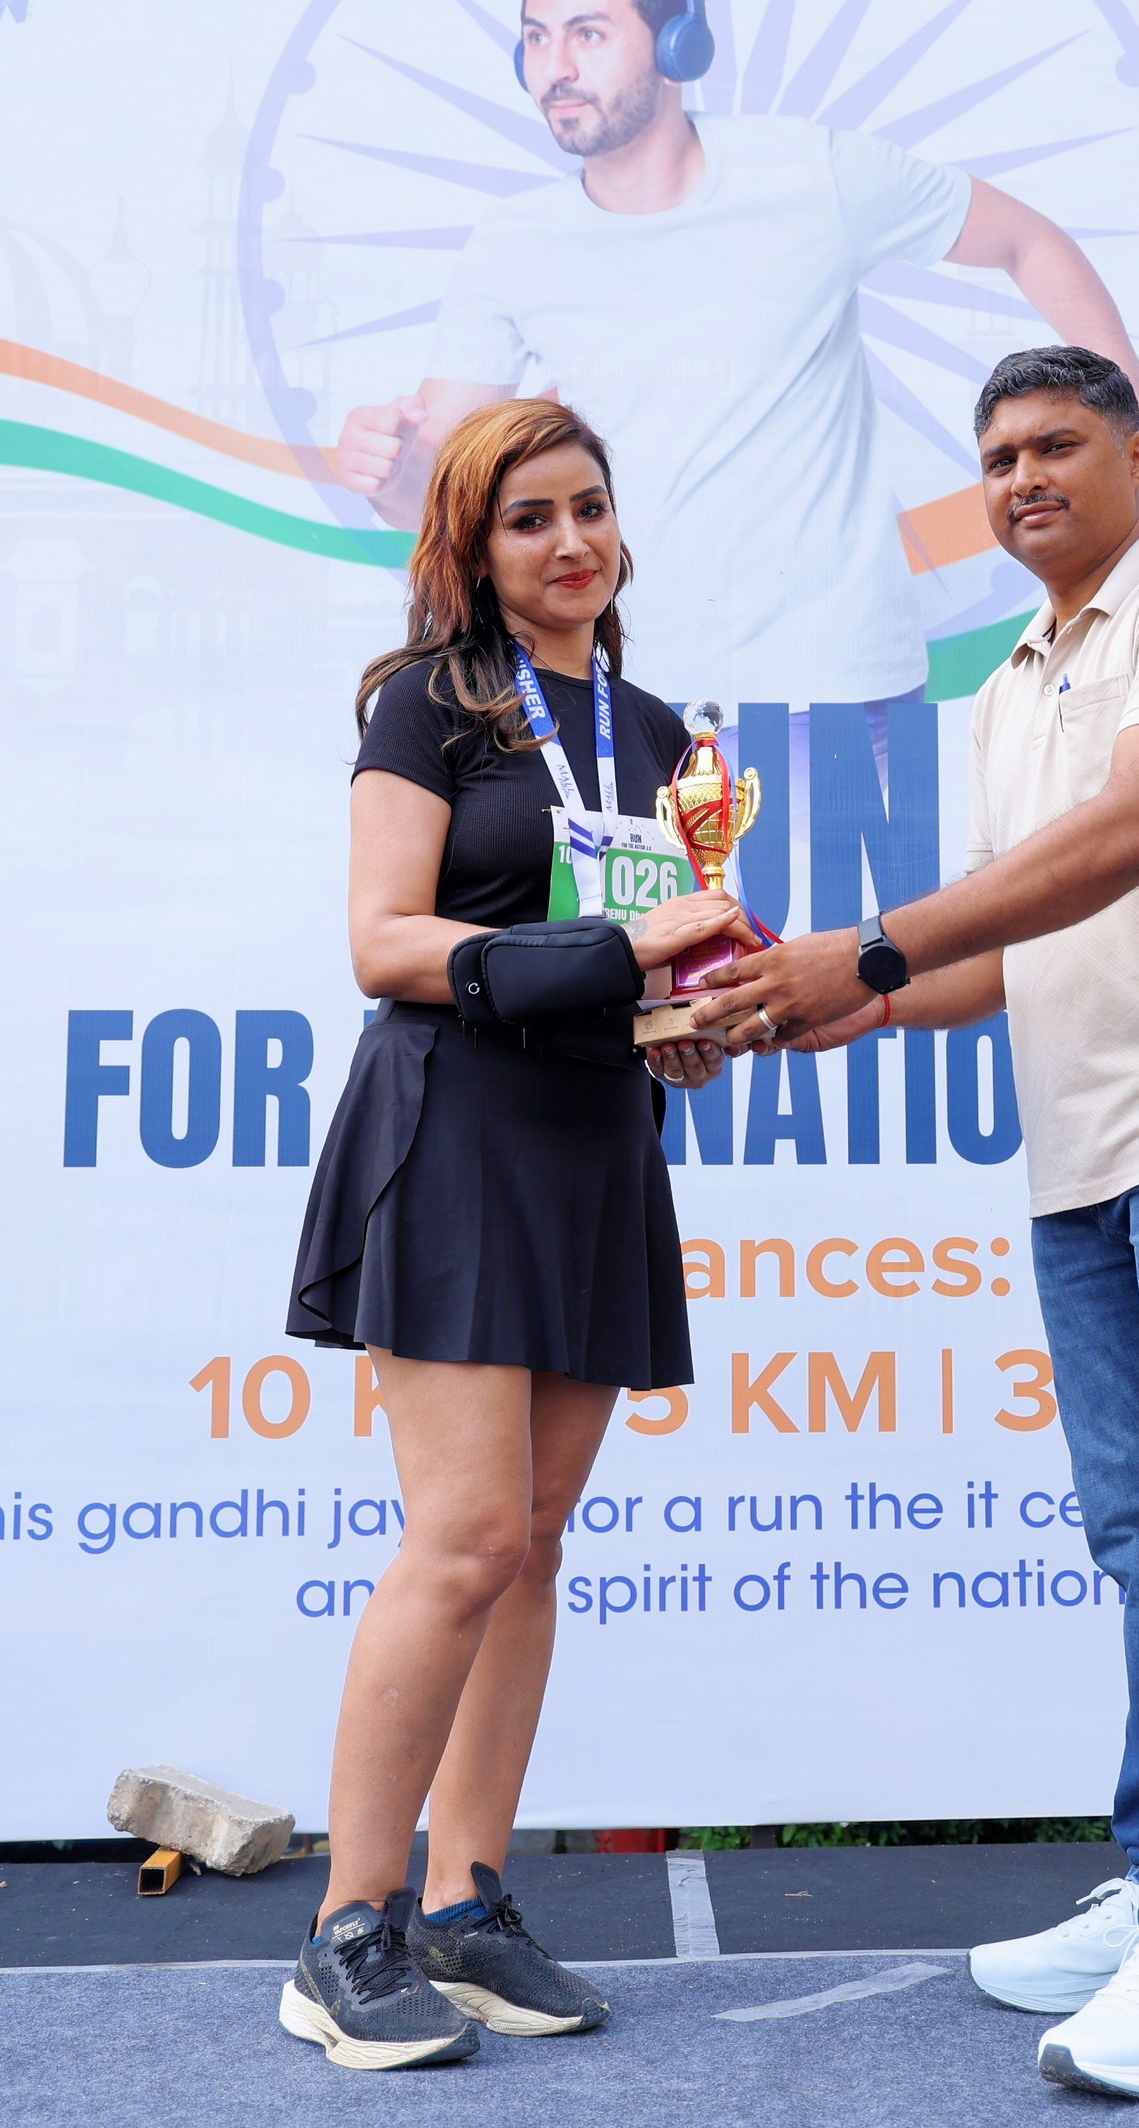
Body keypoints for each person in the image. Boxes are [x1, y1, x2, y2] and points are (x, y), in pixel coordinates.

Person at [692, 346, 1139, 2102]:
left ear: (1136, 455)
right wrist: (813, 1005)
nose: (1023, 476)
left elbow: (1136, 831)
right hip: (1082, 1157)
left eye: (1058, 443)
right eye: (995, 457)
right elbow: (1010, 948)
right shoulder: (1007, 684)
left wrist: (865, 946)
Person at [280, 396, 741, 2071]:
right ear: (473, 550)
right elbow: (384, 943)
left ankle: (468, 1907)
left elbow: (659, 956)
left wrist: (684, 1019)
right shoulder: (428, 703)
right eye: (530, 518)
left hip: (595, 1136)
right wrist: (613, 965)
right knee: (467, 1535)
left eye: (590, 507)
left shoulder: (667, 737)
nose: (571, 542)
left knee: (535, 1543)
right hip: (457, 1125)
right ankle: (348, 1929)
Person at [333, 0, 1139, 715]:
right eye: (536, 38)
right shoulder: (512, 244)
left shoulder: (810, 175)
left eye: (588, 34)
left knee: (883, 861)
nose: (555, 67)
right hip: (630, 698)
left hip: (845, 689)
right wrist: (390, 474)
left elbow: (1028, 241)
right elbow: (441, 491)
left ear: (676, 45)